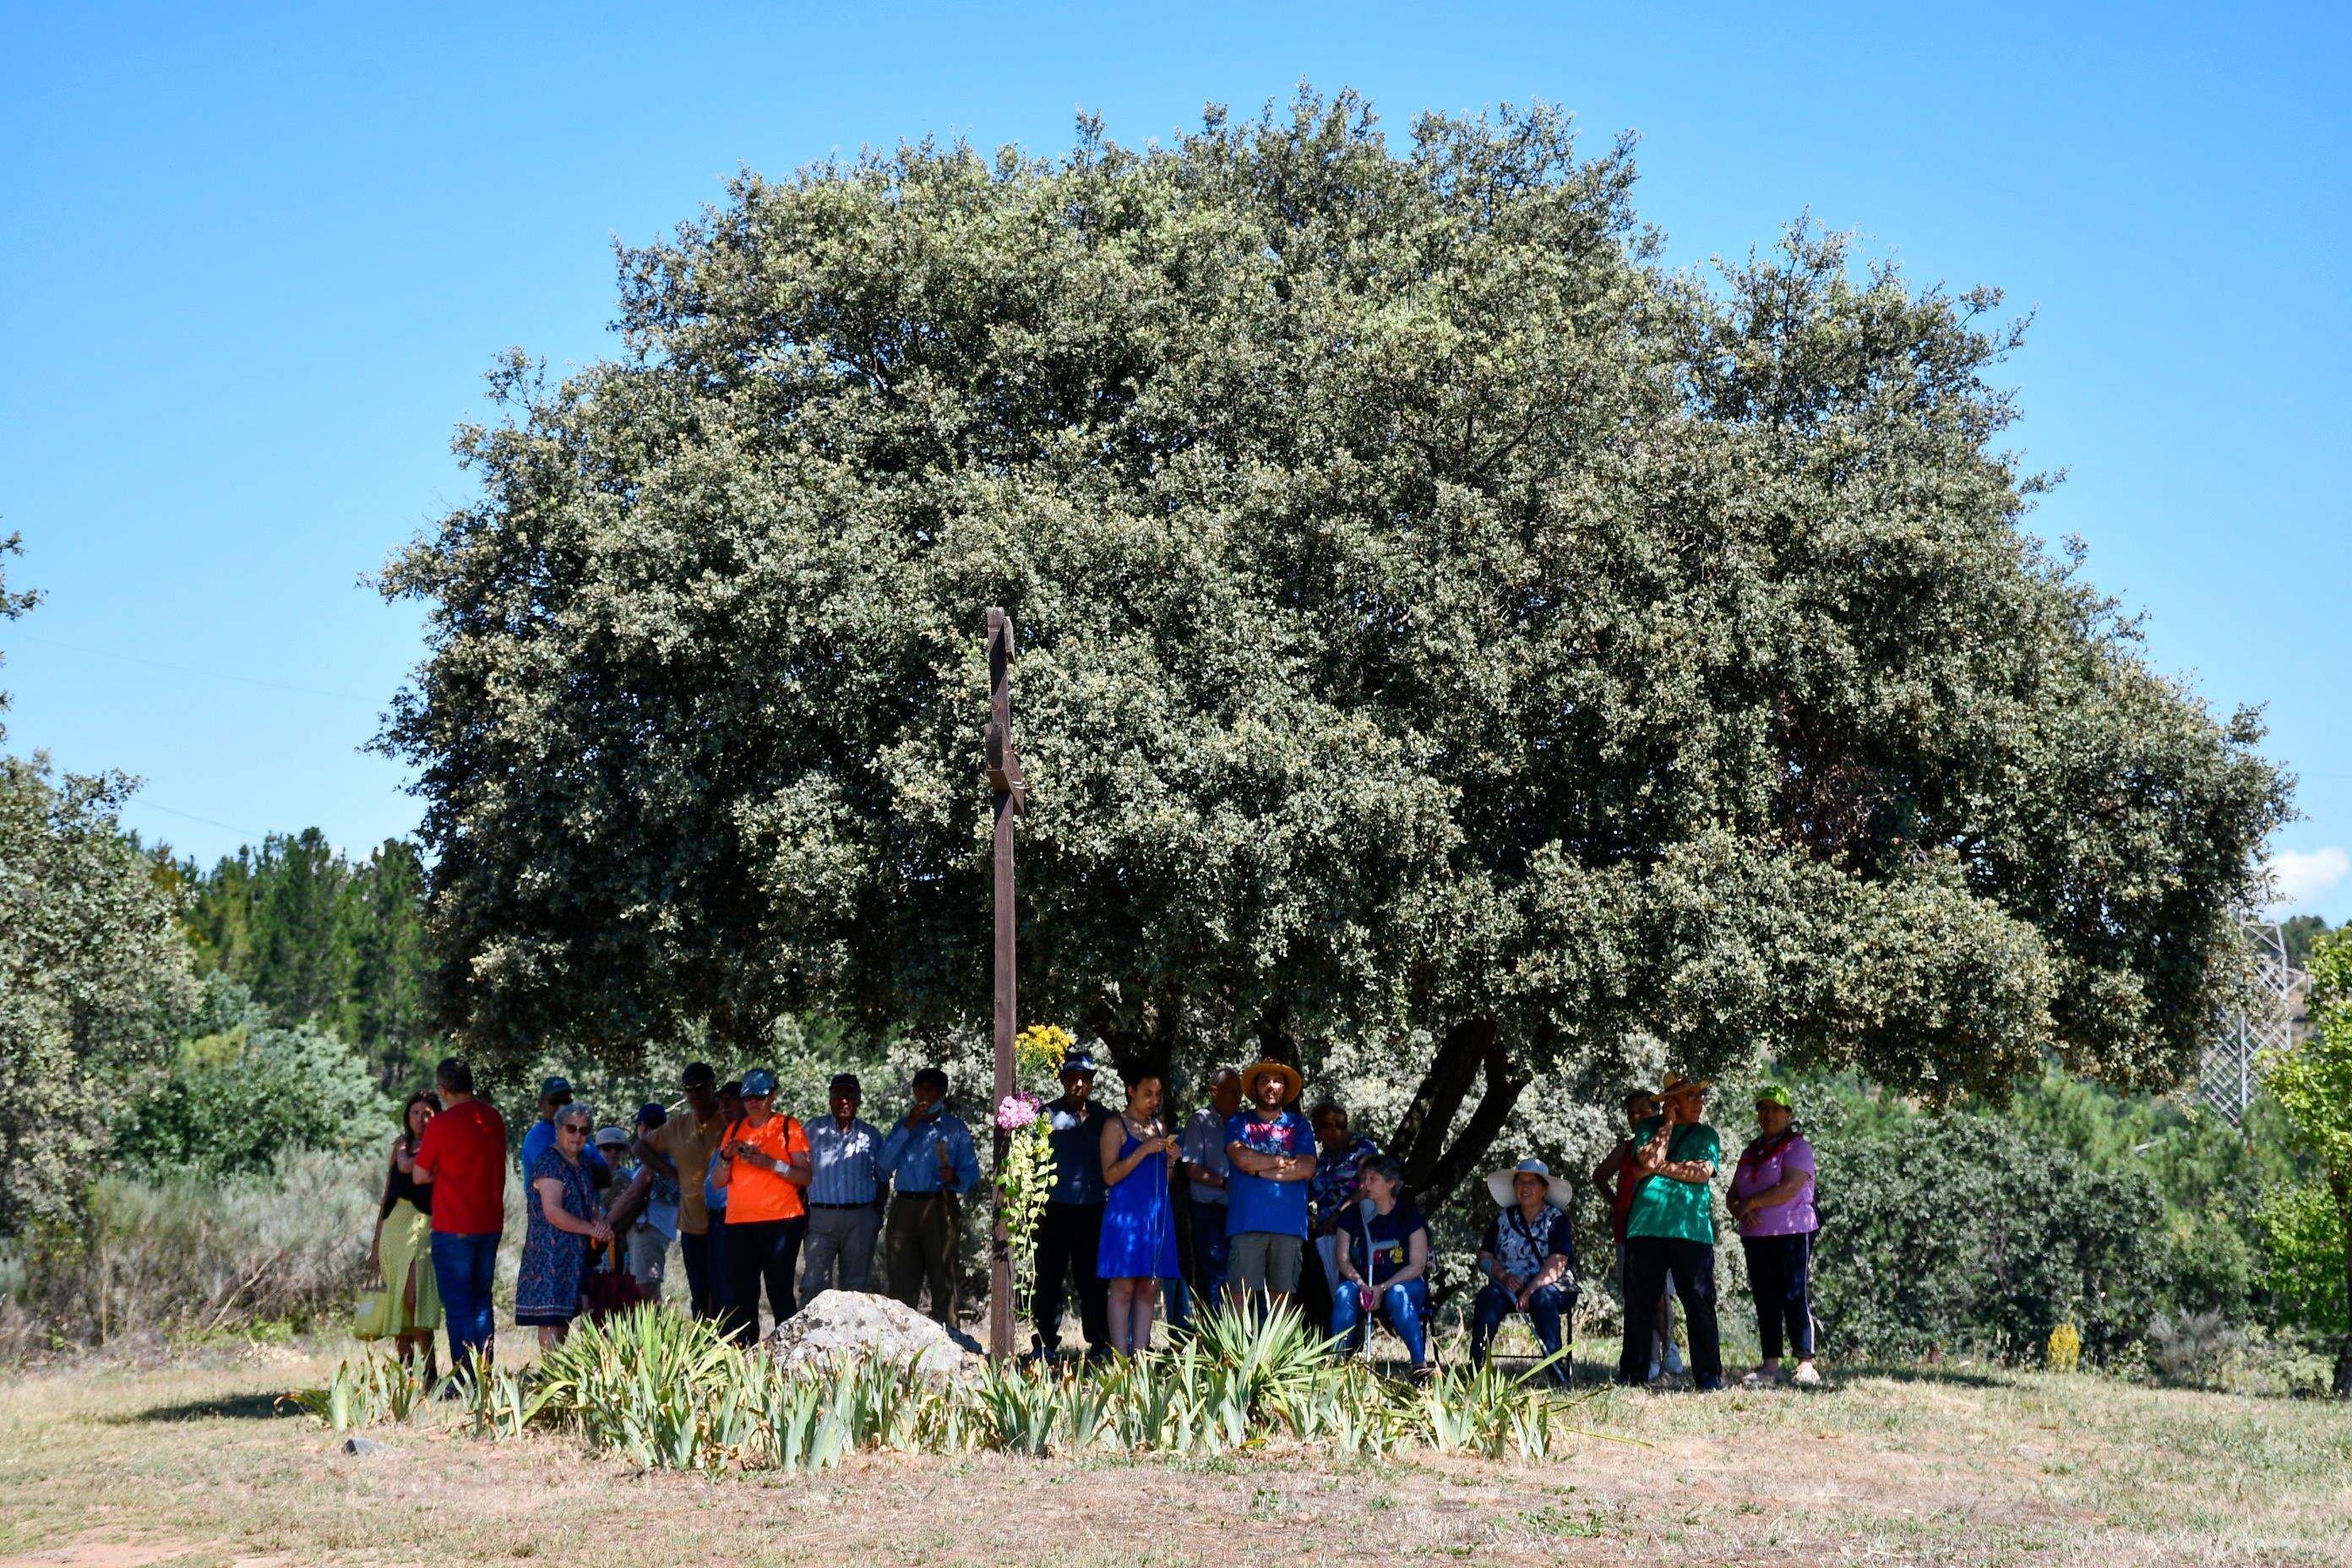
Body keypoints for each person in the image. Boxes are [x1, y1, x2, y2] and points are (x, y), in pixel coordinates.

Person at [1615, 1073, 1724, 1391]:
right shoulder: (1648, 1129)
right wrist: (1666, 1125)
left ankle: (1708, 1376)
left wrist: (1659, 1168)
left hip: (1691, 1231)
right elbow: (1647, 1157)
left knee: (1700, 1301)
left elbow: (1701, 1173)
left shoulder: (1708, 1135)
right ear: (1672, 1103)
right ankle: (1632, 1375)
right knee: (1640, 1303)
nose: (1699, 1103)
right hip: (1645, 1228)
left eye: (1700, 1097)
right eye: (1692, 1097)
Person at [410, 1055, 506, 1382]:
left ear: (444, 1090)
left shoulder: (441, 1125)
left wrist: (442, 1169)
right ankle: (485, 1374)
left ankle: (463, 1378)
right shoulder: (493, 1119)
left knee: (458, 1306)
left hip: (454, 1226)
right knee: (482, 1302)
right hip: (490, 1222)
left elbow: (420, 1175)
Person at [710, 1067, 813, 1344]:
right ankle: (746, 1355)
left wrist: (771, 1164)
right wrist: (727, 1157)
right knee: (743, 1293)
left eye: (760, 1096)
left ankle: (788, 1352)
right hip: (739, 1223)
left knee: (779, 1290)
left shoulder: (788, 1127)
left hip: (782, 1221)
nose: (754, 1103)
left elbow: (806, 1175)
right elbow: (718, 1182)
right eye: (748, 1098)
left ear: (773, 1096)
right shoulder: (733, 1130)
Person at [1729, 1085, 1821, 1387]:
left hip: (1792, 1232)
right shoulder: (1750, 1151)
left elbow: (1790, 1188)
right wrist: (1741, 1211)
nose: (1769, 1114)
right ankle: (1771, 1365)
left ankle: (1806, 1363)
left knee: (1794, 1294)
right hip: (1756, 1236)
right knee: (1765, 1298)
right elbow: (1733, 1194)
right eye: (1763, 1108)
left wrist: (1751, 1203)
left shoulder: (1798, 1148)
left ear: (1788, 1114)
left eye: (1776, 1109)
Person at [1592, 1087, 1685, 1380]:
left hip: (1660, 1231)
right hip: (1628, 1233)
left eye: (1643, 1111)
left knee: (1661, 1297)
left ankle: (1668, 1351)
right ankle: (1648, 1355)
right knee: (1637, 1297)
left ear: (1656, 1112)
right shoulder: (1627, 1148)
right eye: (1631, 1113)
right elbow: (1599, 1175)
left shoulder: (1670, 1145)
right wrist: (1619, 1205)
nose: (1637, 1117)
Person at [879, 1067, 983, 1325]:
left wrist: (955, 1178)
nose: (925, 1093)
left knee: (942, 1278)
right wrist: (907, 1127)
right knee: (901, 1281)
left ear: (942, 1093)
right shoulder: (902, 1126)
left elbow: (971, 1174)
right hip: (904, 1205)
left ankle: (949, 1341)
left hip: (940, 1204)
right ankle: (900, 1344)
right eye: (920, 1088)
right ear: (914, 1092)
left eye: (932, 1088)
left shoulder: (955, 1129)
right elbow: (882, 1167)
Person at [1469, 1157, 1579, 1385]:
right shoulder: (1502, 1218)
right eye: (1520, 1182)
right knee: (1487, 1298)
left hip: (1551, 1287)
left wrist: (1531, 1290)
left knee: (1543, 1299)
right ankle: (1476, 1368)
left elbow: (1558, 1261)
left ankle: (1555, 1370)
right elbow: (1484, 1256)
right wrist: (1503, 1276)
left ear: (1544, 1189)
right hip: (1508, 1286)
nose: (1525, 1188)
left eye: (1532, 1183)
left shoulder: (1556, 1220)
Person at [1032, 1052, 1113, 1358]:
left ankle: (1100, 1342)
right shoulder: (1046, 1115)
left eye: (1086, 1078)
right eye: (1074, 1077)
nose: (1080, 1083)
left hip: (1092, 1207)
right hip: (1054, 1208)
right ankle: (1045, 1343)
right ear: (1063, 1080)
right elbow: (1033, 1158)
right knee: (1049, 1276)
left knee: (1093, 1278)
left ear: (1091, 1082)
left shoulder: (1103, 1117)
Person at [1096, 1072, 1184, 1355]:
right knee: (1123, 1288)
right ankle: (1120, 1360)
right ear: (1131, 1090)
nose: (1154, 1101)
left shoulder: (1159, 1126)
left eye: (1157, 1095)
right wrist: (1143, 1151)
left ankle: (1141, 1360)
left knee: (1149, 1288)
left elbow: (1165, 1180)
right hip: (1125, 1218)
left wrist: (1171, 1162)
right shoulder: (1115, 1125)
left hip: (1156, 1218)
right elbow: (1109, 1176)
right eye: (1148, 1094)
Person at [638, 1064, 731, 1319]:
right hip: (692, 1224)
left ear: (713, 1086)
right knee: (700, 1292)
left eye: (701, 1087)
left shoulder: (726, 1120)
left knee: (725, 1290)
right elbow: (641, 1147)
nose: (695, 1094)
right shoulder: (678, 1126)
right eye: (689, 1089)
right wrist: (669, 1172)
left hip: (726, 1221)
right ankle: (702, 1349)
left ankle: (731, 1347)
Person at [515, 1105, 612, 1347]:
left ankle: (558, 1376)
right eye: (571, 1128)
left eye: (584, 1130)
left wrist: (600, 1226)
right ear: (559, 1130)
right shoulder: (549, 1162)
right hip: (550, 1254)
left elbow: (589, 1207)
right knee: (551, 1320)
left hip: (574, 1254)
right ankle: (551, 1378)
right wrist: (592, 1230)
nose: (577, 1135)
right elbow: (553, 1212)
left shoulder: (583, 1164)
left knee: (565, 1317)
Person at [360, 1091, 442, 1376]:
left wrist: (407, 1150)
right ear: (408, 1117)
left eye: (427, 1113)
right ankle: (407, 1371)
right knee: (397, 1302)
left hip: (423, 1224)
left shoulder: (438, 1145)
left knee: (415, 1299)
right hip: (394, 1226)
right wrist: (376, 1241)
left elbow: (411, 1167)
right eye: (415, 1113)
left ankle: (430, 1368)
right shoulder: (400, 1146)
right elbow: (387, 1195)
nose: (420, 1119)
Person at [1223, 1059, 1315, 1314]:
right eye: (1264, 1081)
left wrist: (1258, 1170)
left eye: (1277, 1081)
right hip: (1247, 1222)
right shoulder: (1238, 1123)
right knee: (1240, 1296)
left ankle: (1278, 1354)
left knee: (1282, 1298)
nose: (1271, 1086)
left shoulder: (1300, 1126)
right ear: (1255, 1088)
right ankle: (1234, 1353)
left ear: (1285, 1088)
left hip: (1289, 1224)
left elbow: (1307, 1168)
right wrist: (1283, 1163)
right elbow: (1242, 1158)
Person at [1329, 1155, 1433, 1380]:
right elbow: (1342, 1259)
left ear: (1390, 1183)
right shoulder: (1351, 1216)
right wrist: (1362, 1284)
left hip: (1403, 1285)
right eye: (1363, 1179)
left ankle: (1419, 1365)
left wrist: (1383, 1287)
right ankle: (1335, 1365)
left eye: (1372, 1179)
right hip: (1363, 1284)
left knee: (1398, 1295)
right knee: (1345, 1292)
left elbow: (1417, 1265)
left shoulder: (1409, 1216)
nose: (1365, 1185)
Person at [802, 1072, 885, 1298]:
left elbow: (883, 1178)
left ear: (858, 1099)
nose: (844, 1101)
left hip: (860, 1218)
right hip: (820, 1217)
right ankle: (812, 1334)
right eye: (838, 1095)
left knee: (857, 1287)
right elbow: (800, 1172)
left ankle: (856, 1335)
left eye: (849, 1095)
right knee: (814, 1284)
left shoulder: (871, 1135)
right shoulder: (812, 1130)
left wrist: (876, 1214)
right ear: (830, 1098)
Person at [1305, 1100, 1379, 1336]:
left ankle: (1353, 1340)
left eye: (1319, 1130)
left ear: (1332, 1126)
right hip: (1326, 1234)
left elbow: (1368, 1187)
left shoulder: (1362, 1148)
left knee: (1351, 1285)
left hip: (1357, 1231)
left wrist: (1340, 1214)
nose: (1317, 1138)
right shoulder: (1324, 1157)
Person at [1180, 1068, 1241, 1316]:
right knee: (1215, 1274)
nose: (1239, 1097)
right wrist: (1225, 1184)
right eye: (1233, 1092)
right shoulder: (1199, 1122)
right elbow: (1192, 1168)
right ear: (1215, 1092)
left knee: (1239, 1273)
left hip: (1239, 1211)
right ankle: (1217, 1330)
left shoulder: (1243, 1122)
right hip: (1209, 1210)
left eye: (1240, 1092)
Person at [603, 1108, 678, 1298]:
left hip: (648, 1228)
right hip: (654, 1228)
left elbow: (633, 1195)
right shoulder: (667, 1152)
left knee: (645, 1291)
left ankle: (651, 1329)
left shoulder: (655, 1156)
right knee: (648, 1289)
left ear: (644, 1127)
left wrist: (606, 1222)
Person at [519, 1075, 610, 1188]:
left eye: (566, 1101)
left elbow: (604, 1173)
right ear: (540, 1104)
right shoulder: (536, 1137)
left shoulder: (579, 1132)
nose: (561, 1107)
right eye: (554, 1101)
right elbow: (557, 1176)